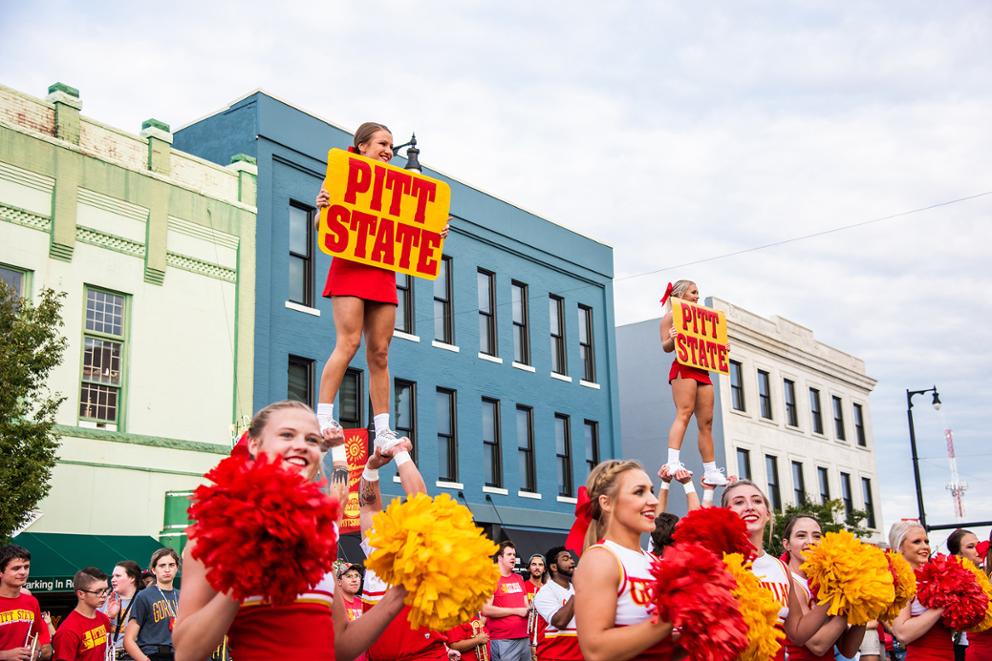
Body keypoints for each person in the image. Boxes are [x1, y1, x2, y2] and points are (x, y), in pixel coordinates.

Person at [172, 400, 406, 661]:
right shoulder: (214, 533)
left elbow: (340, 646)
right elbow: (186, 653)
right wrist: (242, 577)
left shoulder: (315, 537)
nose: (301, 445)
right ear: (254, 444)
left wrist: (398, 594)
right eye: (286, 435)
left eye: (311, 440)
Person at [313, 122, 449, 460]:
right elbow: (321, 224)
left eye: (391, 146)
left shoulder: (400, 188)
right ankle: (323, 417)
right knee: (349, 342)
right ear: (362, 146)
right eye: (382, 143)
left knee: (381, 352)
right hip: (350, 267)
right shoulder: (341, 174)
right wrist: (322, 209)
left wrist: (434, 232)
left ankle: (383, 432)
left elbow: (415, 231)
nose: (389, 150)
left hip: (382, 270)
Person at [357, 434, 451, 661]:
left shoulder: (422, 546)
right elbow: (368, 507)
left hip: (424, 655)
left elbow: (420, 499)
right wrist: (371, 467)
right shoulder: (377, 547)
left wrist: (400, 452)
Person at [572, 459, 676, 661]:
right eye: (639, 492)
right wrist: (670, 618)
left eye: (651, 491)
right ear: (607, 503)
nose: (653, 501)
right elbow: (596, 651)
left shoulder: (653, 561)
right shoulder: (601, 559)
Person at [721, 480, 832, 659]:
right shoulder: (718, 562)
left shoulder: (780, 568)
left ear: (767, 514)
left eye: (757, 501)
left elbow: (797, 633)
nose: (750, 507)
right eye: (739, 502)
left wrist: (839, 594)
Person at [658, 280, 727, 486]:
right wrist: (671, 338)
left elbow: (710, 344)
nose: (697, 296)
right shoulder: (670, 317)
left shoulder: (704, 320)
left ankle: (711, 469)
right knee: (684, 412)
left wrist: (722, 347)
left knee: (706, 422)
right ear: (680, 295)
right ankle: (672, 462)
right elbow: (666, 347)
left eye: (698, 292)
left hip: (703, 370)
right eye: (693, 292)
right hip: (684, 367)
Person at [779, 515, 867, 660]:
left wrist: (864, 606)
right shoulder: (788, 582)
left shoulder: (827, 582)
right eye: (801, 536)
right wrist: (845, 596)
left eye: (817, 536)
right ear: (786, 544)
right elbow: (817, 645)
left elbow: (848, 650)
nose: (810, 542)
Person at [889, 521, 952, 661]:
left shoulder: (933, 579)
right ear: (900, 548)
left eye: (926, 541)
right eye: (917, 542)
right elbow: (902, 633)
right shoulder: (900, 582)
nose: (925, 547)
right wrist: (944, 603)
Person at [124, 549, 180, 661]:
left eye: (171, 565)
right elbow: (128, 640)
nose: (167, 569)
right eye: (162, 565)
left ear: (177, 568)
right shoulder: (144, 596)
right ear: (154, 570)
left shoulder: (182, 596)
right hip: (153, 654)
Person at [0, 544, 53, 661]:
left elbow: (42, 637)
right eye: (16, 568)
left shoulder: (31, 602)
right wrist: (4, 655)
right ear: (1, 572)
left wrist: (37, 652)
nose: (23, 572)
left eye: (26, 567)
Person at [482, 542, 530, 661]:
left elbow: (526, 606)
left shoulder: (519, 578)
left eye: (514, 554)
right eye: (509, 554)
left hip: (524, 637)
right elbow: (486, 609)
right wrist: (516, 611)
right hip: (504, 639)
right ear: (500, 558)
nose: (513, 557)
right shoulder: (491, 579)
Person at [52, 567, 112, 661]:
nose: (104, 595)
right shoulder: (67, 631)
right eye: (98, 591)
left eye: (106, 590)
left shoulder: (104, 619)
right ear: (81, 594)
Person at [533, 547, 581, 661]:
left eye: (571, 558)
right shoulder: (545, 592)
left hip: (579, 656)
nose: (572, 561)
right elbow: (560, 622)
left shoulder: (577, 588)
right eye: (565, 559)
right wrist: (579, 589)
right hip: (554, 657)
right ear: (554, 567)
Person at [947, 529, 986, 661]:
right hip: (966, 646)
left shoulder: (983, 575)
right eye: (971, 547)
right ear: (958, 554)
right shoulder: (954, 577)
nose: (978, 549)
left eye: (978, 544)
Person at [101, 560, 142, 659]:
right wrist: (109, 617)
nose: (113, 579)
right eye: (113, 576)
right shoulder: (104, 601)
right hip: (108, 656)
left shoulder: (143, 601)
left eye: (118, 576)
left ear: (132, 578)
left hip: (133, 656)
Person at [336, 563, 366, 661]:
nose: (354, 580)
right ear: (339, 582)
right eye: (349, 576)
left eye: (357, 576)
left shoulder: (364, 603)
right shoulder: (335, 605)